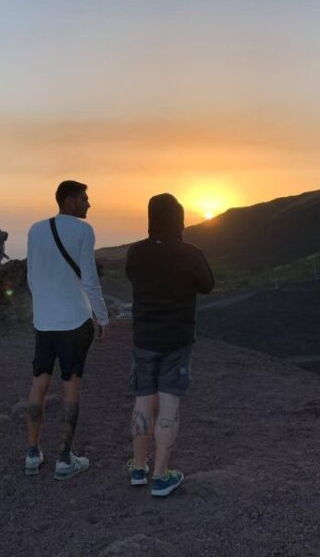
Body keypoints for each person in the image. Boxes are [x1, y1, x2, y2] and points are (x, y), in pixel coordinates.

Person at [125, 194, 214, 497]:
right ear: (180, 219)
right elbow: (207, 285)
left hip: (144, 339)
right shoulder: (190, 253)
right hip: (177, 339)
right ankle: (162, 476)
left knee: (142, 401)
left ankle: (139, 468)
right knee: (169, 403)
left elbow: (133, 276)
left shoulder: (136, 252)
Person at [24, 180, 109, 480]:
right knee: (71, 385)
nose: (89, 204)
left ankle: (32, 454)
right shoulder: (84, 231)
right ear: (70, 201)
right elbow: (90, 280)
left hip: (44, 321)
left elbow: (31, 277)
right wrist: (102, 317)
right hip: (75, 321)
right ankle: (64, 458)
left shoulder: (35, 230)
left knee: (39, 382)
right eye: (84, 199)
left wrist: (43, 307)